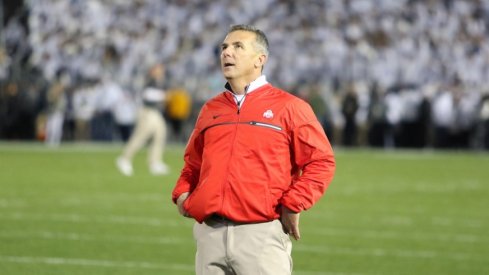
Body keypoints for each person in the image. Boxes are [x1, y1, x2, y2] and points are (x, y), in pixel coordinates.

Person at [171, 24, 336, 275]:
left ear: (260, 59)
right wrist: (182, 193)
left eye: (238, 47)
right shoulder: (210, 109)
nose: (227, 53)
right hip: (210, 235)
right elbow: (193, 163)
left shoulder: (290, 107)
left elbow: (321, 162)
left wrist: (293, 203)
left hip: (261, 236)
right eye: (224, 47)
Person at [116, 63, 169, 176]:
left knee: (160, 134)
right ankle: (125, 158)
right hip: (147, 112)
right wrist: (164, 96)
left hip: (155, 112)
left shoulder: (160, 82)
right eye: (158, 69)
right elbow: (147, 95)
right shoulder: (150, 80)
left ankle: (154, 162)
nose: (161, 71)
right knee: (141, 136)